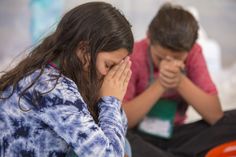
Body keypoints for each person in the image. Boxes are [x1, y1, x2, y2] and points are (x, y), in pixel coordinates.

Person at [0, 2, 134, 157]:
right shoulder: (51, 87)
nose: (111, 75)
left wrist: (106, 99)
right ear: (84, 50)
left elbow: (119, 130)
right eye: (109, 65)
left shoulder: (67, 73)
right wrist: (111, 101)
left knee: (125, 145)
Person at [123, 3, 236, 157]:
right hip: (139, 134)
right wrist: (160, 84)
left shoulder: (194, 53)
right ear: (149, 38)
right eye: (160, 57)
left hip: (176, 135)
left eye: (177, 58)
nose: (168, 62)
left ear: (190, 49)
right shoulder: (134, 55)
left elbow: (215, 116)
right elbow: (123, 120)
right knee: (120, 137)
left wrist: (180, 81)